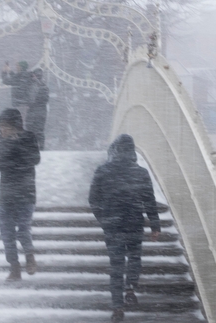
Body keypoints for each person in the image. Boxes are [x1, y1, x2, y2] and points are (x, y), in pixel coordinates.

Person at [88, 134, 161, 322]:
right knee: (135, 257)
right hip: (134, 222)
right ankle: (130, 287)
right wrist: (155, 225)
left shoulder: (103, 171)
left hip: (113, 224)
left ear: (115, 151)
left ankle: (117, 307)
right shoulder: (141, 173)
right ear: (132, 151)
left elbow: (93, 200)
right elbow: (150, 201)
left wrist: (103, 218)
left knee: (116, 265)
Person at [0, 108, 41, 281]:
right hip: (7, 195)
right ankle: (14, 267)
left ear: (16, 126)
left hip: (26, 193)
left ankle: (30, 257)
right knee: (6, 233)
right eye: (1, 127)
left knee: (23, 229)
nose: (3, 130)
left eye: (7, 127)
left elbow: (34, 160)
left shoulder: (28, 138)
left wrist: (18, 145)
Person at [25, 68, 49, 150]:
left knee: (36, 130)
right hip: (38, 112)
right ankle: (38, 147)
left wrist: (33, 103)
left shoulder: (41, 86)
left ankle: (39, 148)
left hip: (36, 112)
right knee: (35, 130)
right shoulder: (40, 85)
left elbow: (43, 99)